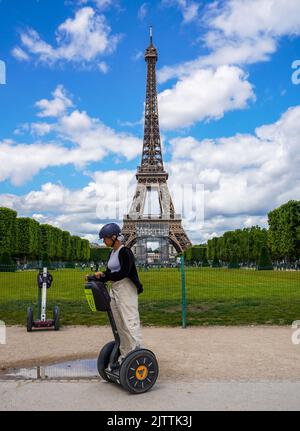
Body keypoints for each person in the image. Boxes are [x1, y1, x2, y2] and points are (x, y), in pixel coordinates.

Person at [94, 223, 143, 366]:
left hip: (126, 288)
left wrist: (106, 276)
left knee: (129, 321)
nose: (104, 241)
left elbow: (124, 272)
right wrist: (99, 276)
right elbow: (109, 272)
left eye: (105, 239)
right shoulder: (112, 253)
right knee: (119, 324)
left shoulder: (125, 252)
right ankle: (125, 355)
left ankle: (137, 353)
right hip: (115, 288)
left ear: (114, 237)